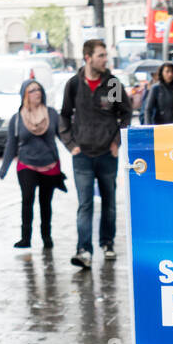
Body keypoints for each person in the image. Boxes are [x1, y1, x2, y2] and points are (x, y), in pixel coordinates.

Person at [58, 39, 131, 269]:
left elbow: (126, 114)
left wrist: (117, 141)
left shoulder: (112, 84)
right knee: (85, 204)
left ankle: (107, 243)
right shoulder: (73, 85)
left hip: (107, 154)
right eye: (100, 55)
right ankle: (84, 250)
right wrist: (71, 145)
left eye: (105, 55)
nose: (105, 60)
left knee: (109, 202)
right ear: (88, 57)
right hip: (82, 155)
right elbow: (63, 116)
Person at [0, 78, 67, 250]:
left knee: (45, 203)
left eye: (39, 89)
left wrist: (76, 148)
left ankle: (46, 236)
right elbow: (11, 144)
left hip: (49, 165)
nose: (38, 93)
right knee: (27, 200)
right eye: (33, 90)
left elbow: (63, 135)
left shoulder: (51, 114)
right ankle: (25, 238)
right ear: (25, 95)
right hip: (26, 164)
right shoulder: (17, 119)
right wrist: (4, 168)